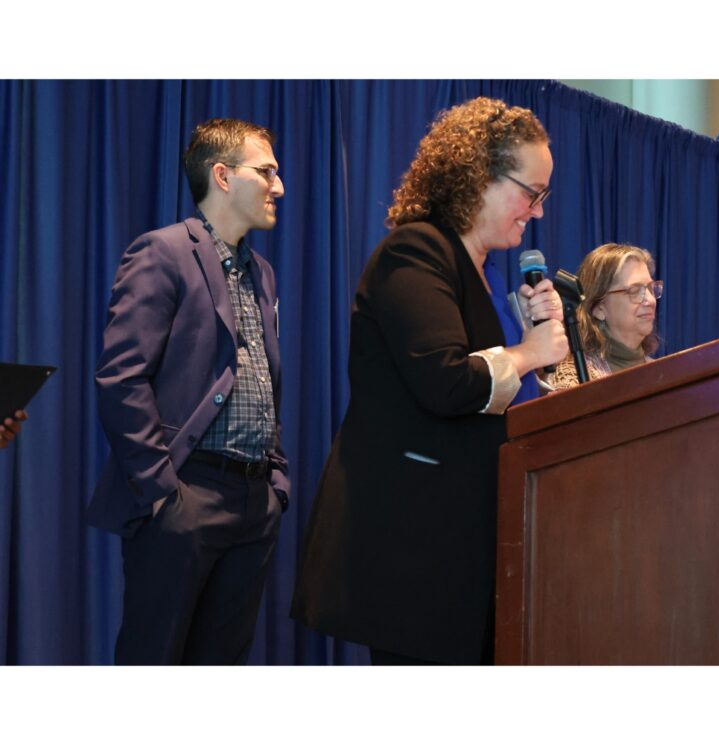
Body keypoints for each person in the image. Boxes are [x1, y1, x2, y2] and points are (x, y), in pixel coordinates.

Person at [291, 97, 568, 665]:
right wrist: (526, 351)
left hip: (454, 555)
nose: (536, 211)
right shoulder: (416, 251)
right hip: (412, 555)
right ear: (479, 178)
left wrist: (539, 348)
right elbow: (445, 382)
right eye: (530, 192)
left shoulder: (480, 277)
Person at [89, 118, 289, 664]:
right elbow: (121, 378)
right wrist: (162, 491)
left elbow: (266, 379)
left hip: (253, 500)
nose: (280, 186)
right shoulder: (162, 253)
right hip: (186, 493)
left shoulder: (263, 272)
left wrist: (276, 482)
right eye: (267, 171)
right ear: (222, 176)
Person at [550, 243, 663, 389]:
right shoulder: (573, 378)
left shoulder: (664, 374)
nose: (650, 300)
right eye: (635, 291)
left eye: (650, 288)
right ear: (599, 309)